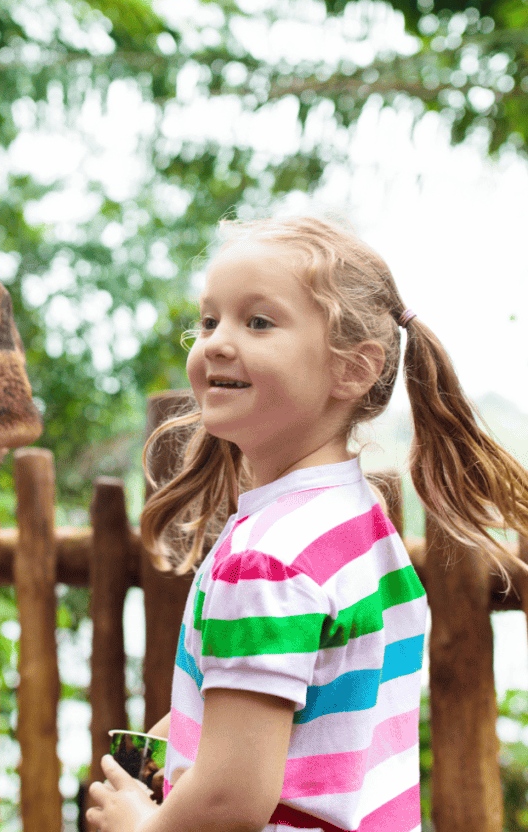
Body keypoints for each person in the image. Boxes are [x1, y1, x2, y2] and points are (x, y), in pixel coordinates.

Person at [87, 215, 528, 832]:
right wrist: (174, 741)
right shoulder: (358, 524)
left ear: (353, 370)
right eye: (208, 321)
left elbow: (230, 799)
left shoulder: (264, 563)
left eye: (258, 322)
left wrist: (140, 826)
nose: (215, 342)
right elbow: (310, 701)